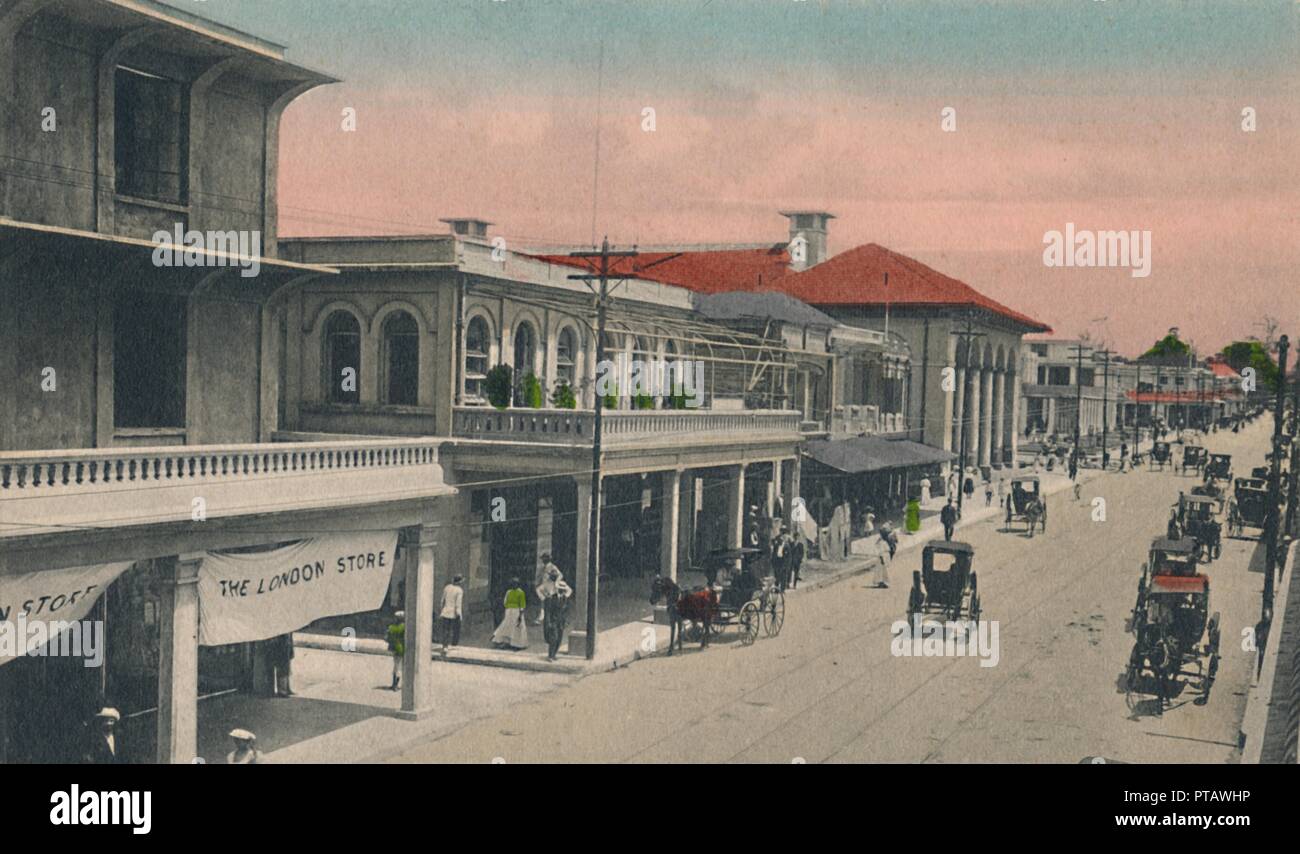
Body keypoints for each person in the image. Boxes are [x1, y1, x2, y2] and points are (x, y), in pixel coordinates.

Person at [540, 571, 572, 661]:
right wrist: (548, 622)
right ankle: (550, 655)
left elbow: (566, 611)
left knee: (559, 639)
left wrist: (566, 621)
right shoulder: (551, 598)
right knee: (554, 638)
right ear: (558, 589)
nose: (562, 591)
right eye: (560, 589)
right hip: (553, 621)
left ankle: (554, 654)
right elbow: (548, 611)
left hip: (561, 622)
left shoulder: (565, 599)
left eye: (563, 589)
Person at [491, 577, 528, 649]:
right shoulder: (509, 592)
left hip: (516, 611)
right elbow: (505, 601)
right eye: (513, 583)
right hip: (509, 611)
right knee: (507, 626)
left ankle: (518, 644)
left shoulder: (521, 592)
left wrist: (520, 614)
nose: (514, 585)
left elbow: (522, 604)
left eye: (515, 583)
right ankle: (505, 642)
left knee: (517, 627)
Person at [439, 574, 465, 654]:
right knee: (454, 629)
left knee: (445, 630)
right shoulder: (459, 590)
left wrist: (441, 610)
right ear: (460, 582)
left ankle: (445, 646)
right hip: (453, 613)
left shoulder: (447, 587)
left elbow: (442, 601)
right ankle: (453, 644)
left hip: (445, 611)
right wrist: (459, 614)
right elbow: (458, 603)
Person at [533, 553, 559, 625]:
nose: (542, 560)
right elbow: (540, 577)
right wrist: (537, 583)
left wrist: (552, 576)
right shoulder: (543, 568)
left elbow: (557, 576)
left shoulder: (552, 567)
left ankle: (545, 618)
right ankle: (542, 617)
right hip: (545, 587)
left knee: (548, 603)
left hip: (550, 587)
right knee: (543, 602)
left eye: (544, 558)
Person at [269, 632, 294, 697]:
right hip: (281, 645)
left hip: (286, 645)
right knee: (282, 667)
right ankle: (282, 691)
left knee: (286, 668)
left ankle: (286, 688)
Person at [386, 611, 405, 691]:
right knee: (399, 667)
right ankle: (395, 685)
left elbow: (387, 638)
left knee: (396, 666)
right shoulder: (404, 627)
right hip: (401, 648)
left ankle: (393, 684)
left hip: (394, 648)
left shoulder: (391, 627)